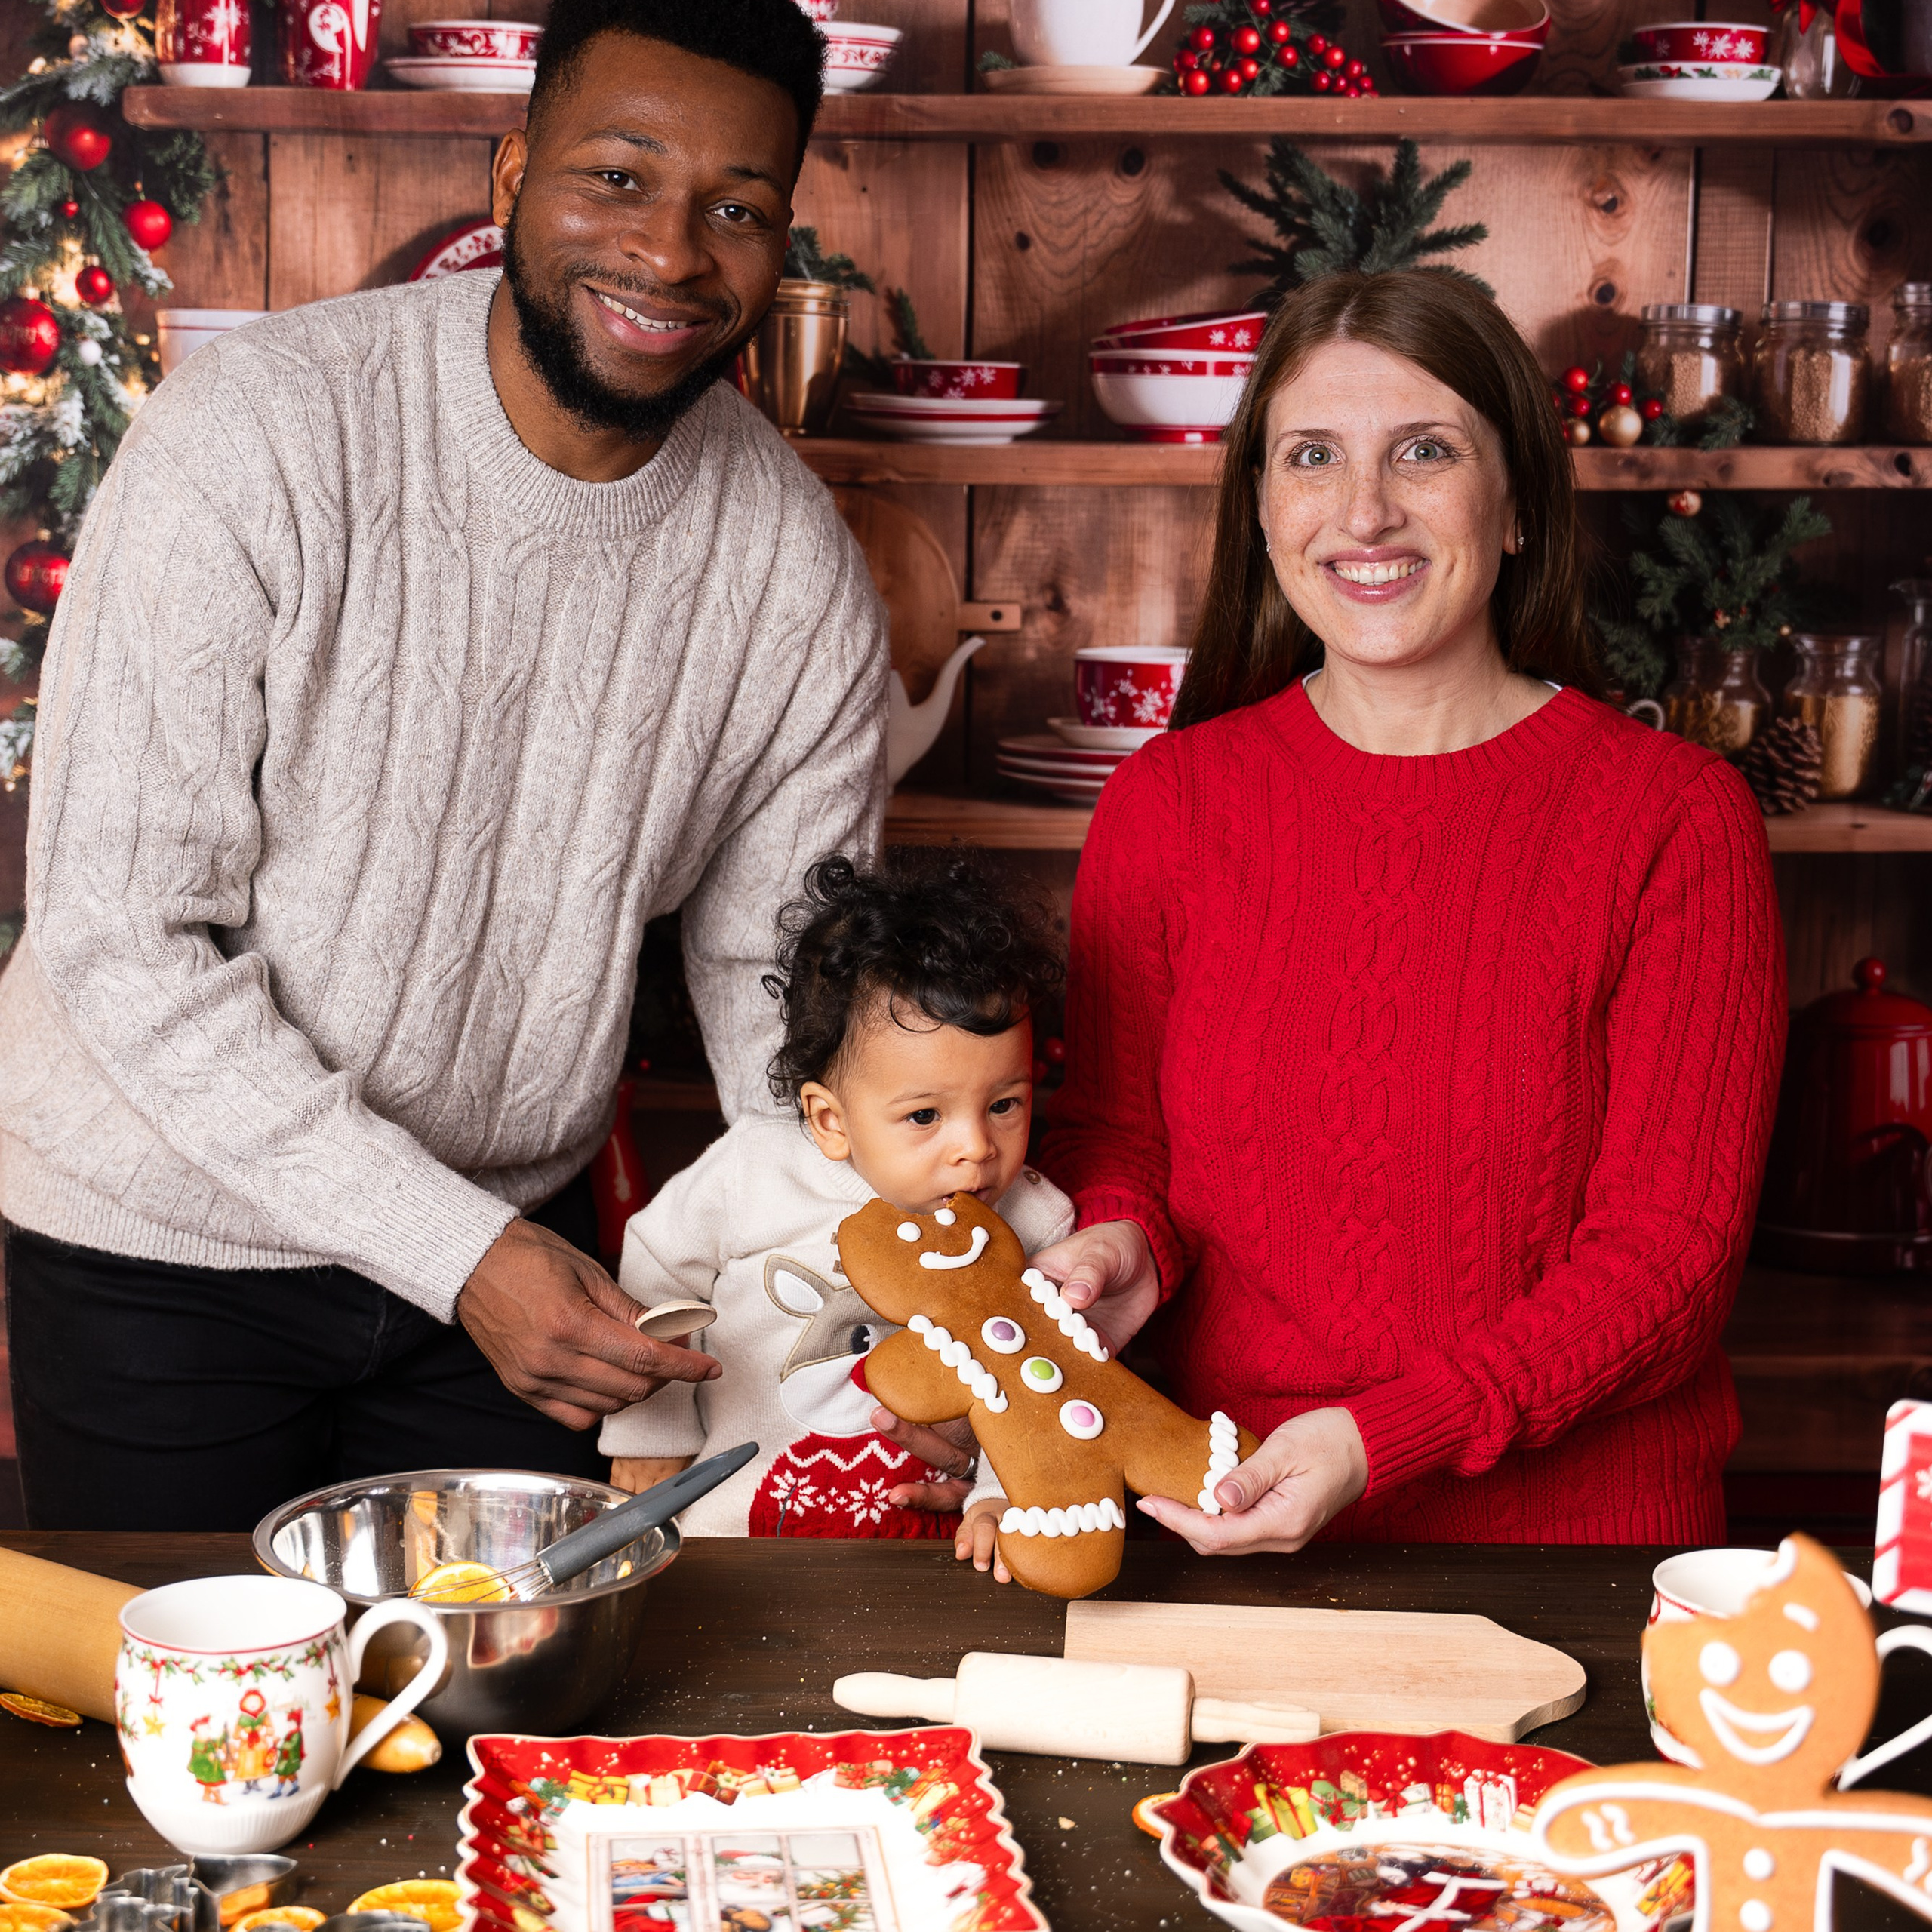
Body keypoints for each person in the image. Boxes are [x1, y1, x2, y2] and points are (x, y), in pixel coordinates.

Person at [0, 0, 890, 1531]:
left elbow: (782, 991)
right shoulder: (258, 434)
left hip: (510, 1270)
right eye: (616, 176)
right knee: (211, 1752)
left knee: (504, 1729)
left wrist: (860, 1293)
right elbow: (122, 936)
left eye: (735, 208)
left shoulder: (789, 562)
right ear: (508, 178)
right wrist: (454, 1249)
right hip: (163, 1253)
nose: (672, 250)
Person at [1021, 270, 1786, 1549]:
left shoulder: (1673, 819)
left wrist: (1386, 1438)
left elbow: (1673, 1260)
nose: (1363, 510)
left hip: (1574, 1557)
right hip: (1224, 1511)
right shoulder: (1168, 802)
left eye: (1424, 452)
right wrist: (1120, 1246)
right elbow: (1120, 1135)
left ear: (1520, 509)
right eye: (1311, 456)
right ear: (1263, 509)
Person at [599, 852, 1072, 1539]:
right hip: (735, 1544)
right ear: (830, 1120)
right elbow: (653, 1274)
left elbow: (1042, 1382)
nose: (977, 1147)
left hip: (930, 1552)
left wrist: (1002, 1497)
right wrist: (649, 1432)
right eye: (924, 1116)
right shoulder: (754, 1171)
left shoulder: (1035, 1222)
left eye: (1005, 1104)